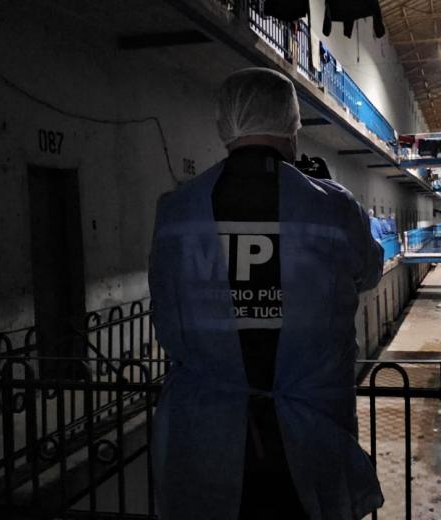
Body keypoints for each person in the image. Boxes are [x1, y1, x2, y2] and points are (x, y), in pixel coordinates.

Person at [149, 67, 384, 520]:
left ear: (226, 123)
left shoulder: (176, 210)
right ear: (292, 124)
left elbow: (163, 302)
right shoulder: (332, 207)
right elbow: (369, 272)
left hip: (206, 433)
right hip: (310, 430)